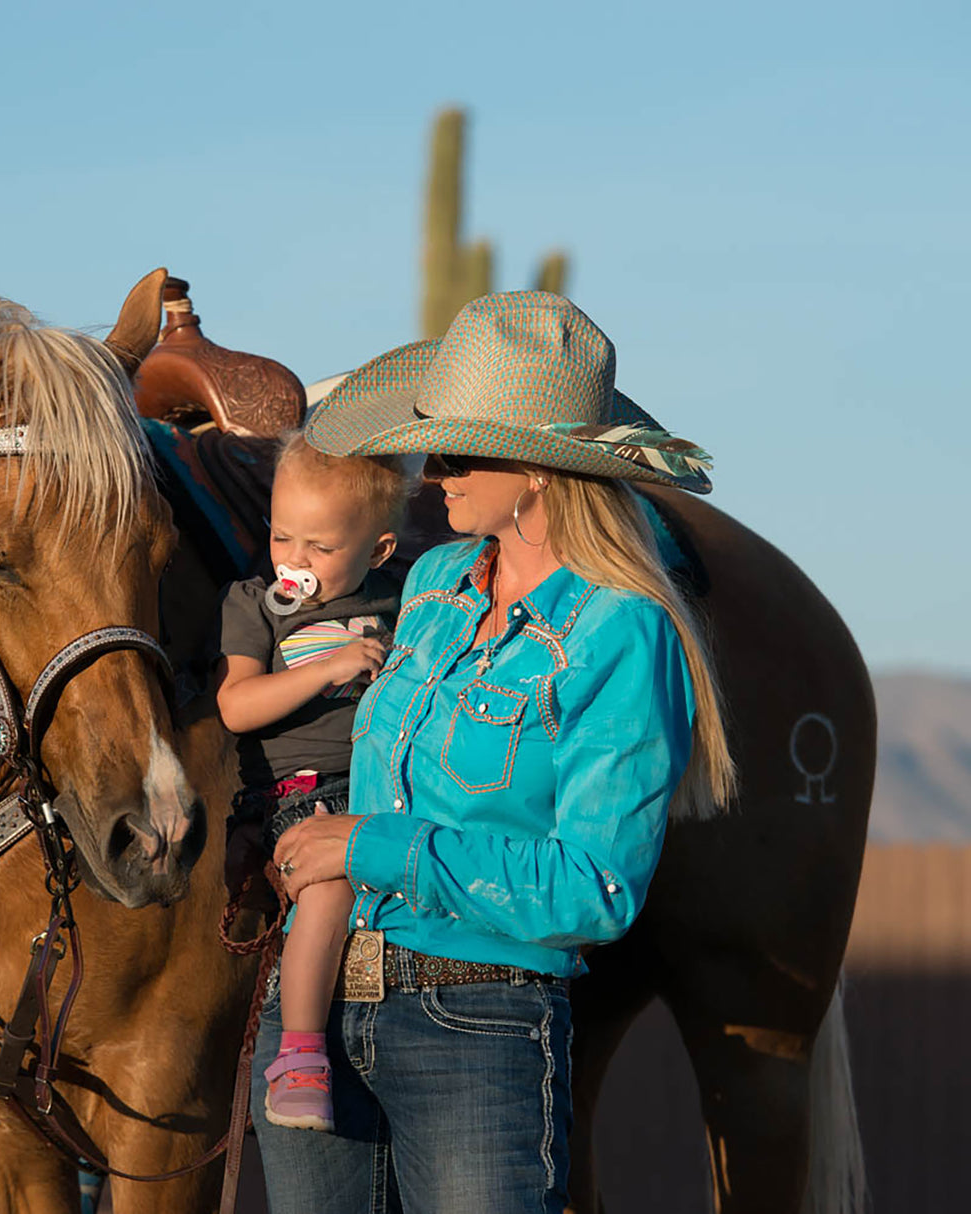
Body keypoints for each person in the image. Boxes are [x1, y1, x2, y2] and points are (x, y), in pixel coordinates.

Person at [252, 291, 736, 1211]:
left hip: (476, 1024)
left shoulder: (624, 634)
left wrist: (368, 848)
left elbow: (595, 888)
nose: (434, 469)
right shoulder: (431, 584)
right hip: (312, 1014)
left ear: (542, 469)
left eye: (462, 447)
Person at [215, 433, 407, 1131]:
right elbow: (236, 705)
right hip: (303, 794)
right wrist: (326, 669)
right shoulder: (257, 605)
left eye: (319, 549)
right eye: (281, 537)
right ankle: (299, 1056)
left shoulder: (405, 597)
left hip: (390, 790)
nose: (294, 561)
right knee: (325, 893)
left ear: (378, 552)